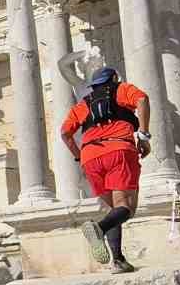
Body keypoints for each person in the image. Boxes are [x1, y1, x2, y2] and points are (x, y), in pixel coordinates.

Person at [59, 66, 151, 274]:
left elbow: (65, 133)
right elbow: (142, 100)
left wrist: (78, 155)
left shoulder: (84, 104)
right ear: (114, 77)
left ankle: (118, 261)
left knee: (113, 210)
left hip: (90, 157)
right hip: (118, 149)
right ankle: (98, 229)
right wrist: (144, 136)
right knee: (126, 208)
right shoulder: (121, 89)